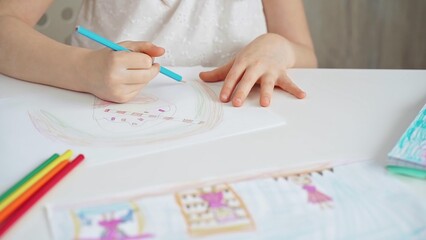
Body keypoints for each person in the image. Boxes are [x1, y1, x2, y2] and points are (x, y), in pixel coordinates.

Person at [0, 0, 317, 107]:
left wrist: (281, 47)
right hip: (104, 135)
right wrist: (83, 69)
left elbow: (306, 57)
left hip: (237, 141)